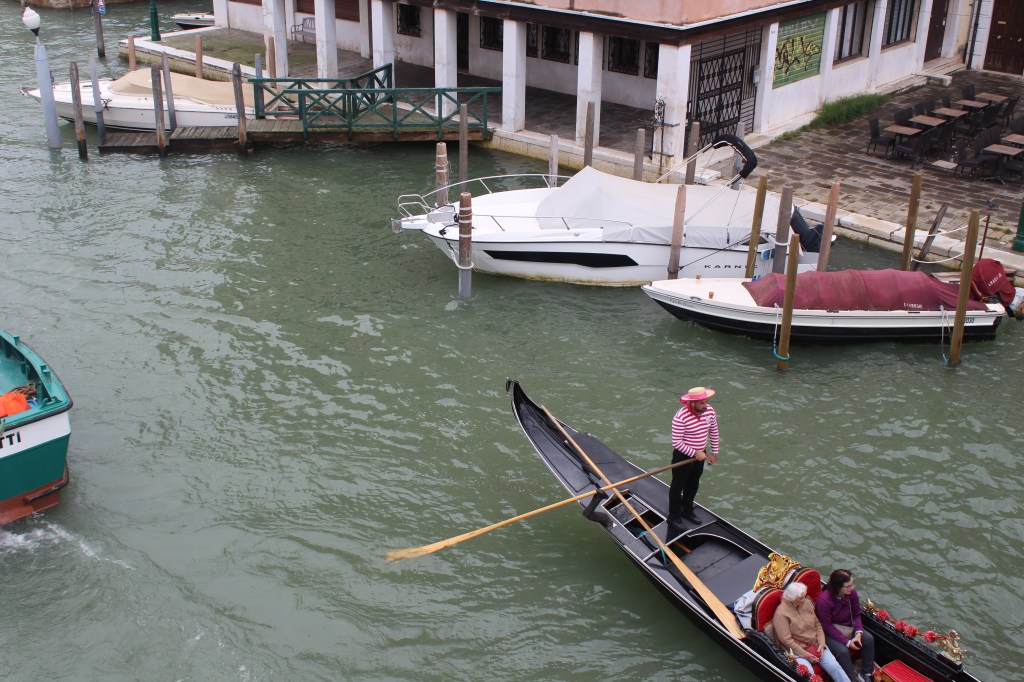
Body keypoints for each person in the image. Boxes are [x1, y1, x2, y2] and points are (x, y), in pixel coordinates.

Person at [773, 582, 851, 682]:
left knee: (834, 666)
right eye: (801, 598)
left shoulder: (806, 603)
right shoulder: (781, 614)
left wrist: (821, 643)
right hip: (797, 651)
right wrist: (807, 655)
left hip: (816, 645)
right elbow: (786, 640)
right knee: (809, 674)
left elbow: (817, 624)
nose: (804, 599)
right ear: (792, 598)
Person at [668, 386, 719, 526]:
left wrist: (714, 452)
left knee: (693, 483)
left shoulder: (709, 411)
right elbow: (677, 442)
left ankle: (687, 509)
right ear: (692, 403)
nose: (705, 405)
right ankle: (673, 516)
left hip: (701, 454)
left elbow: (714, 431)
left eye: (706, 401)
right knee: (678, 486)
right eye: (702, 403)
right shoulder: (680, 417)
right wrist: (694, 453)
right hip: (683, 456)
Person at [815, 568, 876, 682]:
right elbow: (827, 626)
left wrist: (858, 634)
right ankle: (851, 679)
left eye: (852, 585)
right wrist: (847, 642)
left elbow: (857, 615)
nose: (852, 588)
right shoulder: (823, 601)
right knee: (843, 651)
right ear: (837, 587)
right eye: (848, 586)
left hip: (848, 627)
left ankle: (866, 673)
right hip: (828, 633)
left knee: (869, 639)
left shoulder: (852, 593)